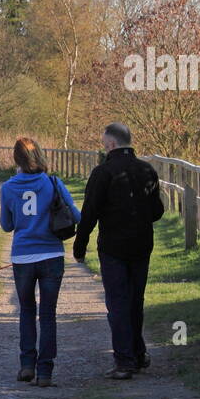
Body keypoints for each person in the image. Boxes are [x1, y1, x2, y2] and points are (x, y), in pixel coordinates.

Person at [72, 123, 165, 379]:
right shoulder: (147, 170)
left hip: (113, 246)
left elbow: (89, 213)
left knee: (118, 302)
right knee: (136, 300)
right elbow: (157, 211)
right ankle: (137, 352)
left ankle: (124, 360)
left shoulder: (103, 173)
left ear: (111, 144)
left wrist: (80, 247)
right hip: (142, 244)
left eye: (104, 144)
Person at [0, 137, 80, 387]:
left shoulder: (8, 187)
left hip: (23, 256)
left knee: (26, 311)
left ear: (16, 159)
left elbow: (6, 225)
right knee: (48, 314)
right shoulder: (53, 183)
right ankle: (45, 371)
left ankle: (26, 364)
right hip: (51, 255)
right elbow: (76, 215)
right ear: (40, 156)